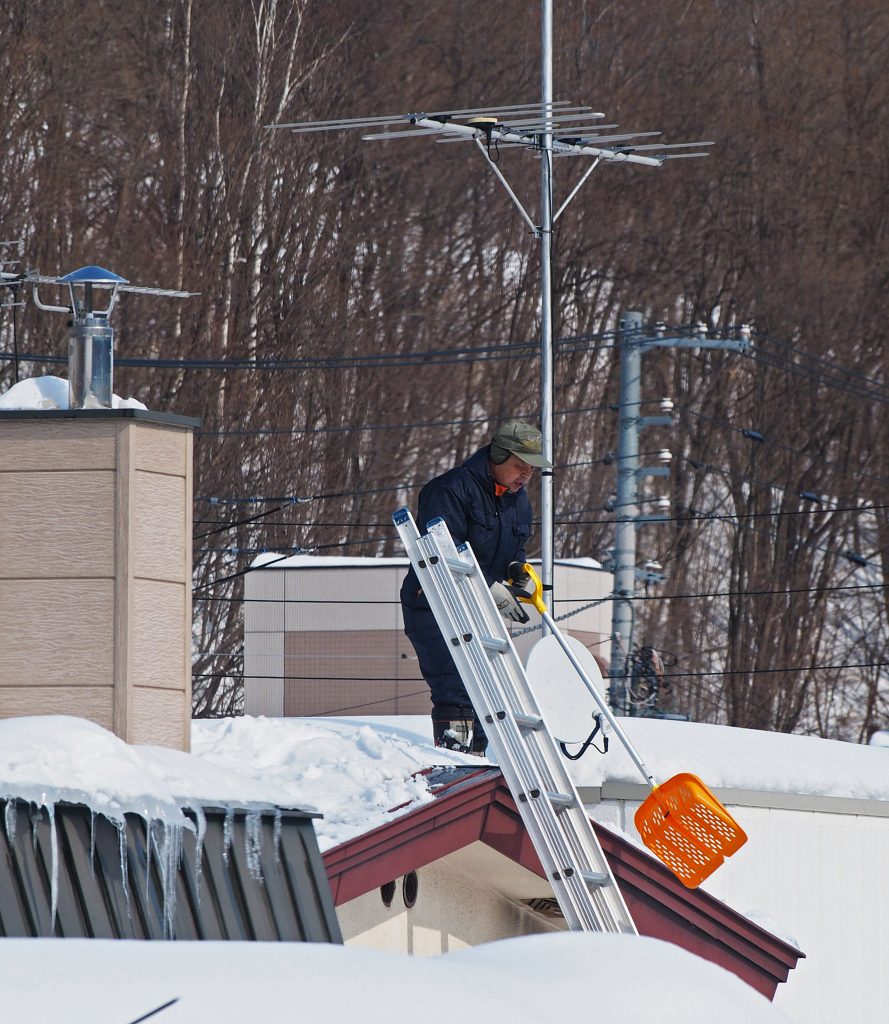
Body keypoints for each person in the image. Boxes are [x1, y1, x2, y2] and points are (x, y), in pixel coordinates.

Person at [400, 421, 552, 754]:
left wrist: (517, 570)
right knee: (456, 685)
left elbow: (516, 546)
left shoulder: (518, 499)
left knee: (490, 689)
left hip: (482, 606)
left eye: (531, 469)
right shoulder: (451, 489)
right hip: (436, 604)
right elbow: (443, 550)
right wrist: (492, 587)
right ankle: (456, 757)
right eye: (520, 466)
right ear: (498, 456)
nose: (526, 475)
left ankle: (480, 758)